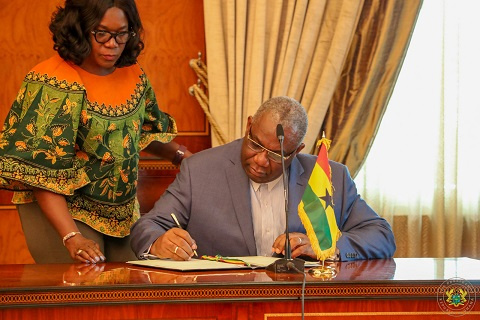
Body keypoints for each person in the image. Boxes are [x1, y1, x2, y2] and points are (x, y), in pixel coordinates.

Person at [0, 0, 192, 264]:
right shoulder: (51, 81)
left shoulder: (133, 73)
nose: (112, 44)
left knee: (131, 287)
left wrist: (184, 157)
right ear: (79, 29)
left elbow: (142, 132)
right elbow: (40, 172)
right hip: (63, 210)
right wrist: (71, 236)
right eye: (101, 33)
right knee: (83, 290)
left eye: (121, 34)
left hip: (122, 214)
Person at [130, 96, 396, 261]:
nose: (260, 160)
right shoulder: (199, 171)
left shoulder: (328, 177)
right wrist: (158, 242)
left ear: (297, 151)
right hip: (224, 305)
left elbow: (382, 236)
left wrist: (326, 246)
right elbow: (147, 227)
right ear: (248, 126)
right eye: (255, 144)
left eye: (275, 154)